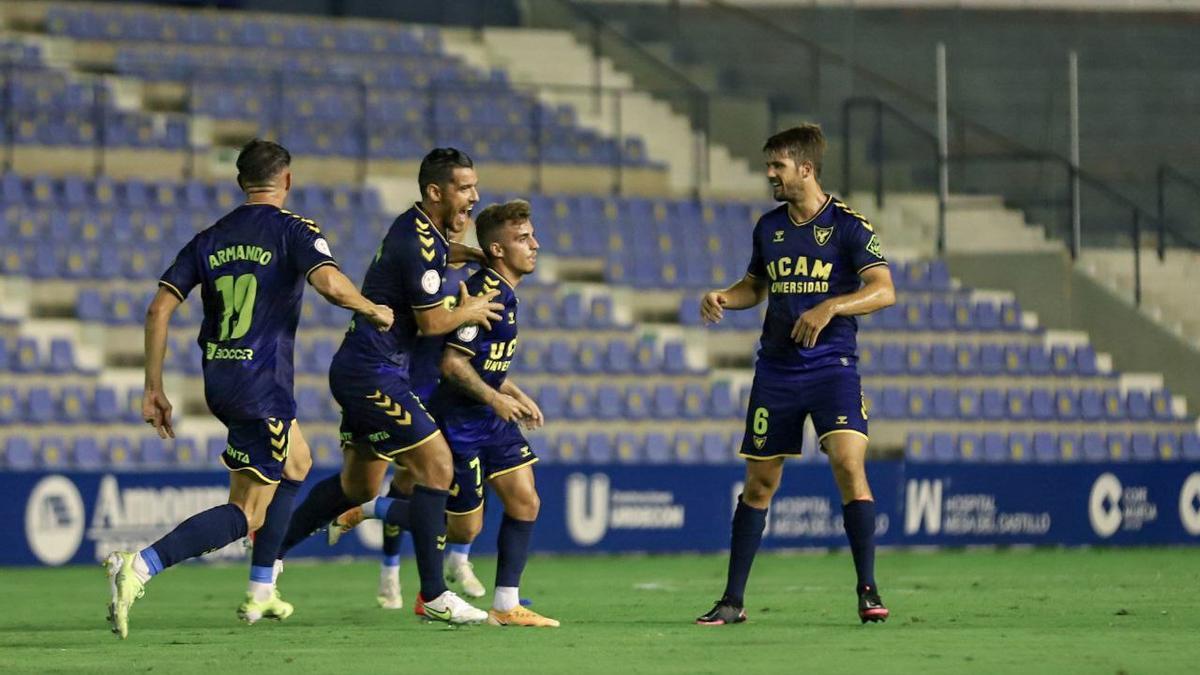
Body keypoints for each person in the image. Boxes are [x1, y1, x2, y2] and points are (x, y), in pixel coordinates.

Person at [104, 139, 394, 639]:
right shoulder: (293, 230)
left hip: (221, 377)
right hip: (263, 385)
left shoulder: (211, 237)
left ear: (242, 183)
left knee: (297, 461)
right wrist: (374, 309)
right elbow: (330, 284)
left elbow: (158, 309)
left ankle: (262, 586)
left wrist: (153, 386)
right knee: (248, 511)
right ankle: (141, 565)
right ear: (287, 181)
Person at [274, 148, 502, 625]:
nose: (474, 197)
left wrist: (475, 254)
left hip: (365, 368)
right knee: (436, 467)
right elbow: (434, 320)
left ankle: (268, 554)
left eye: (474, 187)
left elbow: (444, 255)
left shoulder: (427, 233)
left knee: (357, 485)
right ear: (435, 192)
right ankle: (434, 595)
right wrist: (473, 311)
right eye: (464, 188)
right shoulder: (416, 242)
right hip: (374, 373)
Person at [694, 124, 896, 626]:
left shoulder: (850, 226)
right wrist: (724, 296)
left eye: (777, 167)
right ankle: (732, 601)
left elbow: (884, 289)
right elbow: (754, 287)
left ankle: (868, 590)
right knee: (760, 483)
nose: (770, 175)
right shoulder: (769, 228)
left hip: (833, 368)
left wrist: (831, 307)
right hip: (777, 371)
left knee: (849, 464)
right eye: (769, 167)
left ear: (805, 169)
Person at [336, 199, 556, 627]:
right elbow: (452, 363)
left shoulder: (506, 293)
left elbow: (483, 363)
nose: (535, 245)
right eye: (523, 238)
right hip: (459, 422)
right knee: (462, 531)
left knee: (526, 500)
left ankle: (507, 605)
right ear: (496, 250)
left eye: (532, 235)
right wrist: (496, 399)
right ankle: (372, 509)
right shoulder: (484, 295)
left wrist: (513, 392)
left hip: (490, 419)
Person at [372, 218, 482, 610]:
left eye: (462, 225)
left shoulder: (470, 277)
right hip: (414, 386)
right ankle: (389, 572)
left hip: (449, 391)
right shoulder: (425, 274)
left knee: (459, 472)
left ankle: (458, 561)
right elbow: (422, 326)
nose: (457, 230)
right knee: (410, 479)